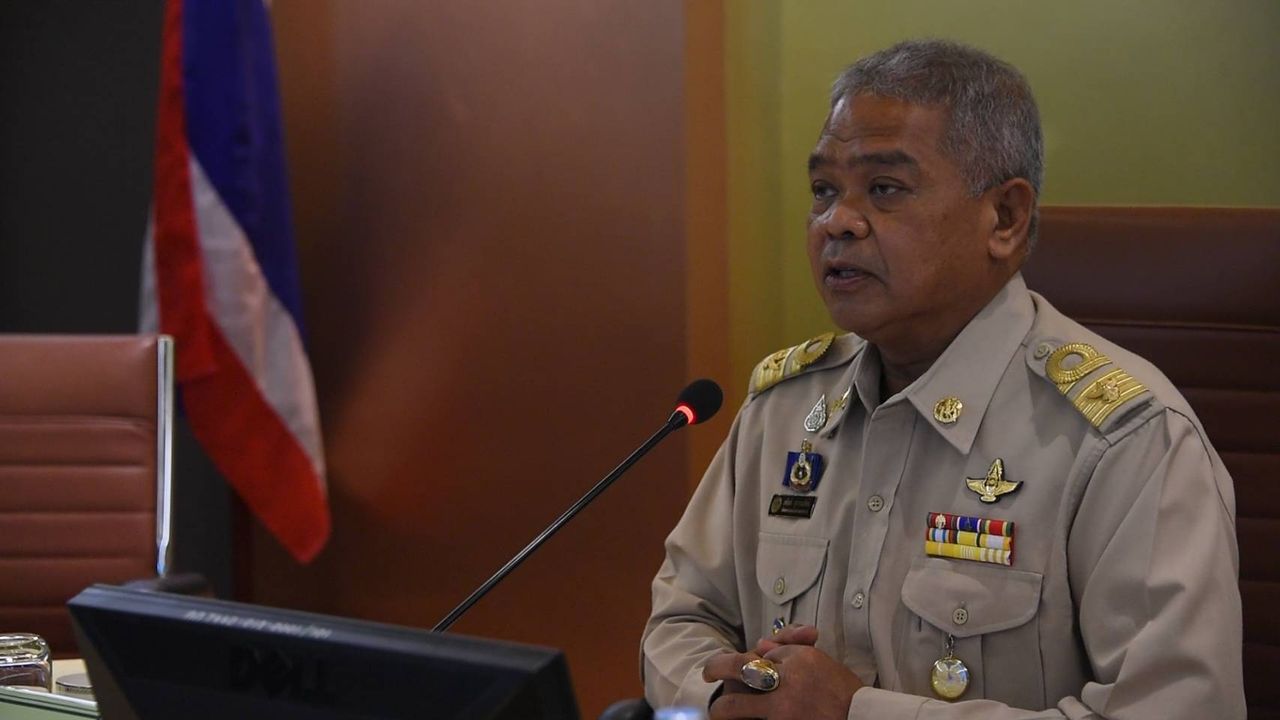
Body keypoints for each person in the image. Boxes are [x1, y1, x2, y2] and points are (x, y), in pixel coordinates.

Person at [641, 39, 1245, 719]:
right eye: (823, 190)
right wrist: (719, 695)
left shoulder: (1125, 439)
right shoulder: (785, 407)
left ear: (1005, 219)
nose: (836, 221)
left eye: (885, 189)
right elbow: (682, 619)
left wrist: (856, 714)